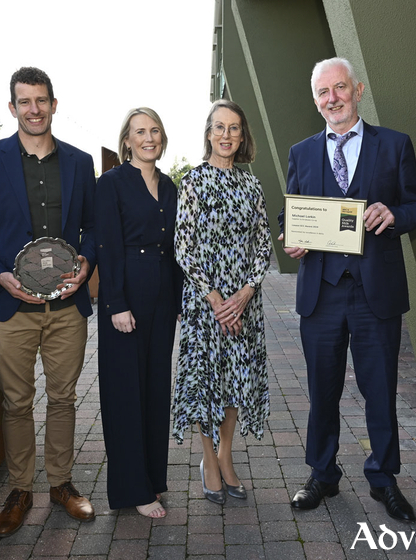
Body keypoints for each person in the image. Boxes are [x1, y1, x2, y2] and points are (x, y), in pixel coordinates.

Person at [279, 57, 416, 522]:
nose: (332, 98)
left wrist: (395, 215)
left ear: (357, 90)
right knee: (322, 391)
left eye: (340, 88)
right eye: (323, 93)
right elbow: (289, 216)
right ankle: (322, 475)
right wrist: (291, 236)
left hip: (375, 293)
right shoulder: (301, 153)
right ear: (316, 100)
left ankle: (384, 479)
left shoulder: (395, 145)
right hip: (321, 295)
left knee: (380, 391)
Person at [0, 67, 96, 537]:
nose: (34, 109)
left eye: (42, 100)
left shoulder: (79, 163)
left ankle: (60, 484)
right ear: (12, 108)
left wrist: (87, 267)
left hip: (65, 309)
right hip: (11, 307)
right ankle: (20, 489)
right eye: (25, 102)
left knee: (63, 398)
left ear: (54, 104)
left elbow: (92, 229)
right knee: (16, 402)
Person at [173, 99, 271, 505]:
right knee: (205, 383)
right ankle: (208, 462)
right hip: (204, 303)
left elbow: (264, 244)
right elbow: (184, 247)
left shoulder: (252, 184)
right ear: (208, 133)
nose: (226, 135)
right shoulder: (193, 182)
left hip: (244, 302)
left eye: (234, 128)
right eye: (219, 127)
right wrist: (217, 301)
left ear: (242, 135)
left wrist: (244, 294)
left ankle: (227, 457)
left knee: (235, 382)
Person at [95, 108, 182, 518]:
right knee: (125, 393)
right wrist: (115, 303)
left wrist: (179, 302)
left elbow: (177, 250)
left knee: (154, 388)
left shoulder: (169, 186)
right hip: (126, 296)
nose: (149, 138)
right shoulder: (111, 183)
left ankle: (151, 479)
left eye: (155, 131)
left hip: (163, 295)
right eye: (140, 132)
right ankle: (132, 489)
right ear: (127, 141)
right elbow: (107, 245)